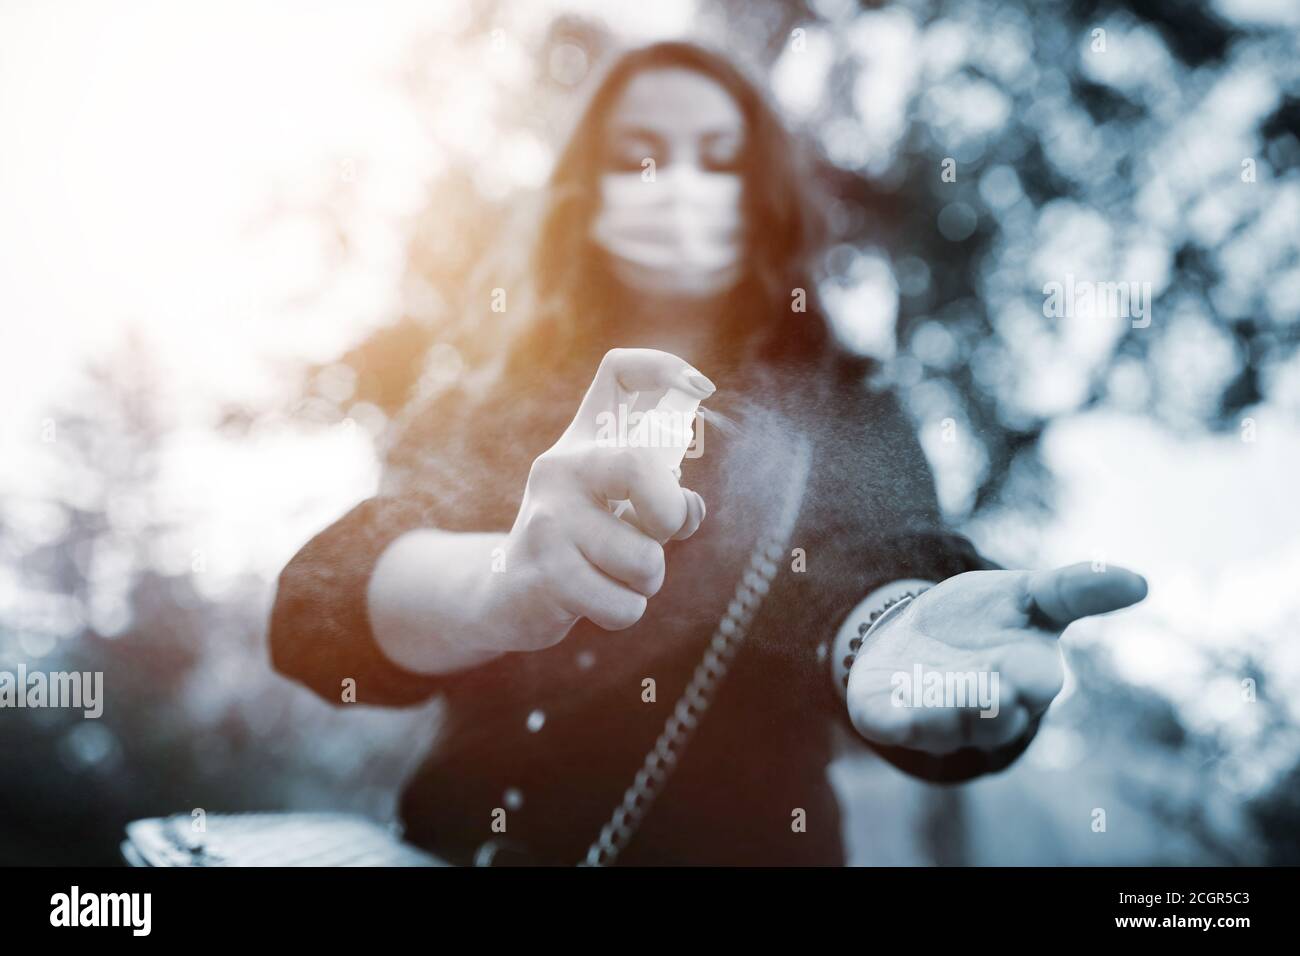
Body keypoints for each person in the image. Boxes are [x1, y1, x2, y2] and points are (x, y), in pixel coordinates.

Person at [269, 41, 1147, 866]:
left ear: (762, 195)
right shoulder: (482, 399)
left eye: (718, 158)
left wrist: (892, 629)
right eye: (638, 153)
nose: (677, 183)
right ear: (585, 193)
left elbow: (873, 560)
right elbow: (318, 611)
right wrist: (502, 586)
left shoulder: (849, 406)